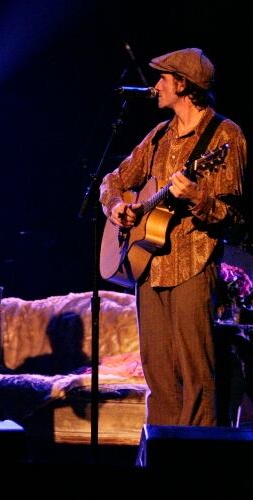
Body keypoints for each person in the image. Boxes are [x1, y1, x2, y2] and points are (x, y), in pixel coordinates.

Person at [100, 48, 247, 426]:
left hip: (193, 265)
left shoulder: (225, 136)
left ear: (183, 84)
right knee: (159, 375)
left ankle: (197, 463)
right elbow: (113, 180)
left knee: (196, 373)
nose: (156, 86)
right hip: (149, 268)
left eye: (163, 78)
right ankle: (162, 462)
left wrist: (196, 196)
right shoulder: (159, 136)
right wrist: (117, 207)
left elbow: (234, 215)